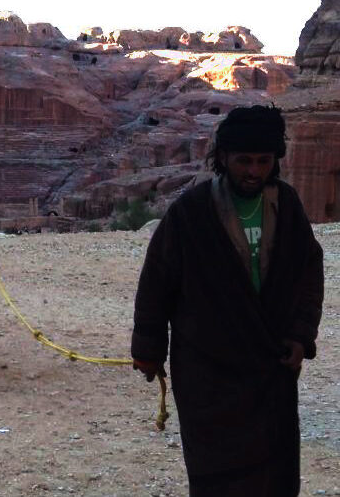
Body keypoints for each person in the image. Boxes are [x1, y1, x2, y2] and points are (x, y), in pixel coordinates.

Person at [131, 105, 324, 497]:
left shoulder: (286, 206)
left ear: (276, 160)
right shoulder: (191, 212)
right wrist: (148, 349)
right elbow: (157, 281)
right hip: (208, 371)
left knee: (275, 470)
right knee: (216, 472)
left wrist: (301, 335)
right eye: (243, 161)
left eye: (263, 161)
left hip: (271, 366)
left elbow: (308, 273)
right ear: (222, 158)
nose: (253, 171)